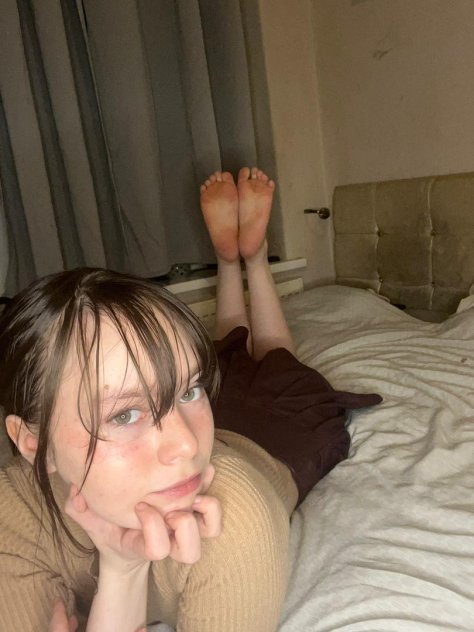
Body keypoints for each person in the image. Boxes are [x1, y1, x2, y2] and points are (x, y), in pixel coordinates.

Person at [0, 167, 381, 632]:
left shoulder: (231, 519)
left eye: (189, 388)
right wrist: (122, 572)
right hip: (232, 420)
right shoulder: (12, 517)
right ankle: (234, 260)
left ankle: (249, 259)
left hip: (273, 442)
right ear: (31, 441)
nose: (187, 444)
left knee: (272, 362)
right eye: (124, 414)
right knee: (238, 359)